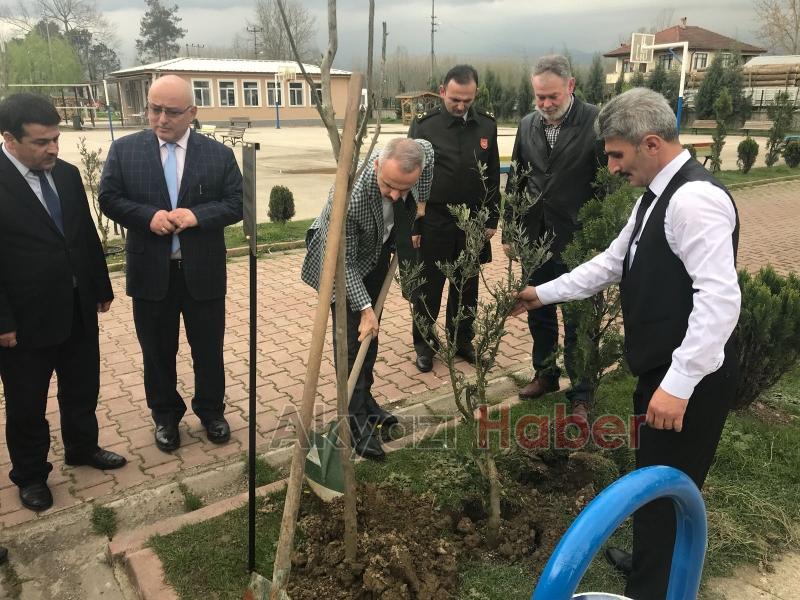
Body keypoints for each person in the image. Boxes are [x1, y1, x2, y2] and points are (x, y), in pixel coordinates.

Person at [512, 87, 740, 599]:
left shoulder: (694, 202)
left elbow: (720, 301)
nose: (611, 166)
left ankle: (652, 589)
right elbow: (612, 263)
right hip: (662, 370)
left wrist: (678, 385)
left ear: (651, 143)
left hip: (689, 381)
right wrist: (541, 294)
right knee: (652, 477)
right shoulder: (655, 198)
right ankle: (648, 563)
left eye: (617, 154)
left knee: (666, 486)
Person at [99, 75, 243, 453]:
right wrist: (147, 216)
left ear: (192, 113)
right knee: (157, 351)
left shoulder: (218, 155)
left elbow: (235, 203)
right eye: (154, 109)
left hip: (203, 272)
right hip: (150, 273)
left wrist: (197, 216)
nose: (161, 119)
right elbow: (109, 199)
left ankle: (211, 411)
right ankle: (165, 416)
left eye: (172, 111)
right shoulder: (125, 151)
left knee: (207, 349)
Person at [0, 93, 126, 513]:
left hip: (76, 307)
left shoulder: (68, 175)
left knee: (82, 385)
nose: (53, 148)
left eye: (56, 138)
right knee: (26, 402)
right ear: (8, 139)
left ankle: (82, 447)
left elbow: (83, 234)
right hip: (23, 321)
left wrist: (100, 286)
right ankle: (31, 474)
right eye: (40, 142)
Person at [301, 138, 434, 460]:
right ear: (376, 165)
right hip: (338, 262)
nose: (394, 195)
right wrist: (364, 308)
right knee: (350, 343)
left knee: (370, 336)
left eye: (404, 188)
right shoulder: (349, 198)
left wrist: (419, 209)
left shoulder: (422, 154)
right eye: (389, 186)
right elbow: (342, 265)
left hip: (375, 251)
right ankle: (353, 420)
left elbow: (428, 161)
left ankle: (366, 401)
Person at [505, 54, 605, 418]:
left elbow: (607, 183)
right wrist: (509, 229)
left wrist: (602, 236)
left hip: (579, 239)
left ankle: (581, 393)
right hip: (535, 239)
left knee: (579, 319)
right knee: (539, 311)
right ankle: (545, 374)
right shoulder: (528, 124)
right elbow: (516, 178)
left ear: (571, 86)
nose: (545, 105)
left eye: (553, 97)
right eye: (539, 97)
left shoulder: (597, 122)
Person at [407, 64, 500, 372]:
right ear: (443, 91)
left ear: (475, 95)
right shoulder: (424, 126)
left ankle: (462, 341)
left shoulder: (486, 125)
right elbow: (410, 177)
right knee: (429, 287)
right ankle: (425, 345)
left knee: (467, 286)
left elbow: (493, 176)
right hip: (434, 219)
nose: (461, 106)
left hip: (472, 221)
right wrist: (414, 224)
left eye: (467, 100)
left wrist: (491, 219)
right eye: (455, 99)